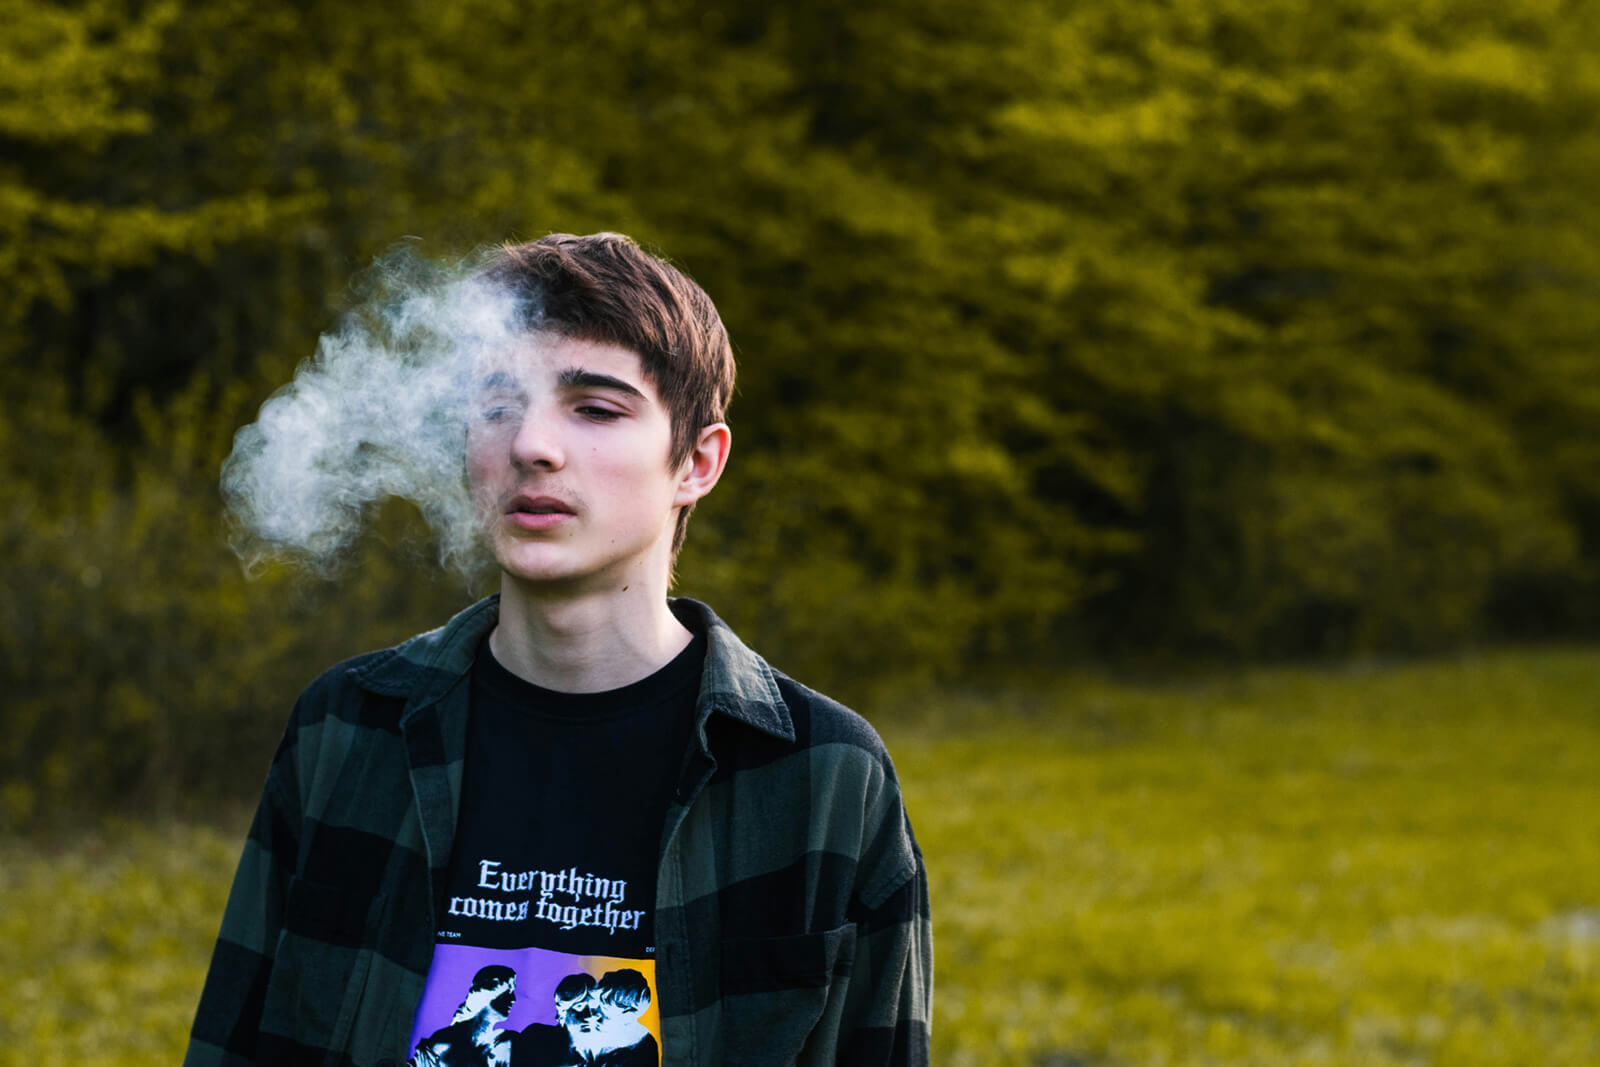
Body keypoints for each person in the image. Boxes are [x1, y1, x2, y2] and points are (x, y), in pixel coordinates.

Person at [184, 232, 932, 1066]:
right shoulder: (347, 728)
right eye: (499, 405)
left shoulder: (824, 775)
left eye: (596, 408)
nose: (532, 445)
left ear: (696, 463)